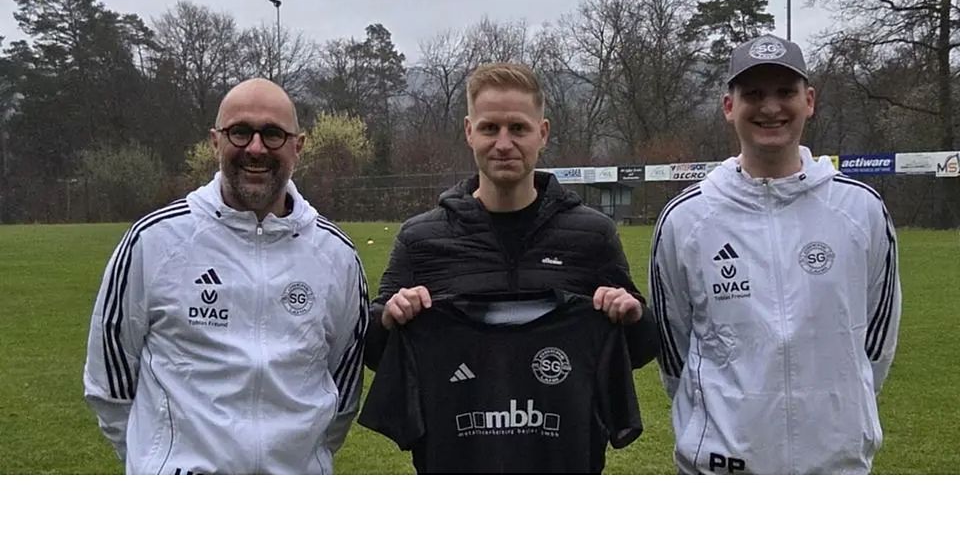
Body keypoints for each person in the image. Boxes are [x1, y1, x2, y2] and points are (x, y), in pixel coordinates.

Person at [83, 78, 369, 474]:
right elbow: (110, 384)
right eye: (240, 131)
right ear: (216, 141)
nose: (256, 148)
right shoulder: (153, 241)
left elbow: (343, 392)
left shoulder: (337, 256)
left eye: (273, 134)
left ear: (298, 146)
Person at [650, 34, 901, 474]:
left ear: (809, 101)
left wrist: (842, 413)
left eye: (785, 92)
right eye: (753, 94)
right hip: (721, 469)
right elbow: (674, 349)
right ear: (729, 106)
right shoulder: (686, 218)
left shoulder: (860, 209)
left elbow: (876, 342)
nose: (770, 108)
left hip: (835, 467)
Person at [364, 62, 659, 372]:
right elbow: (373, 351)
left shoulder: (592, 234)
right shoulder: (420, 239)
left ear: (542, 133)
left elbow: (640, 350)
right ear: (469, 132)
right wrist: (388, 319)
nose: (504, 144)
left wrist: (634, 317)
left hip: (562, 404)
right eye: (490, 128)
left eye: (518, 128)